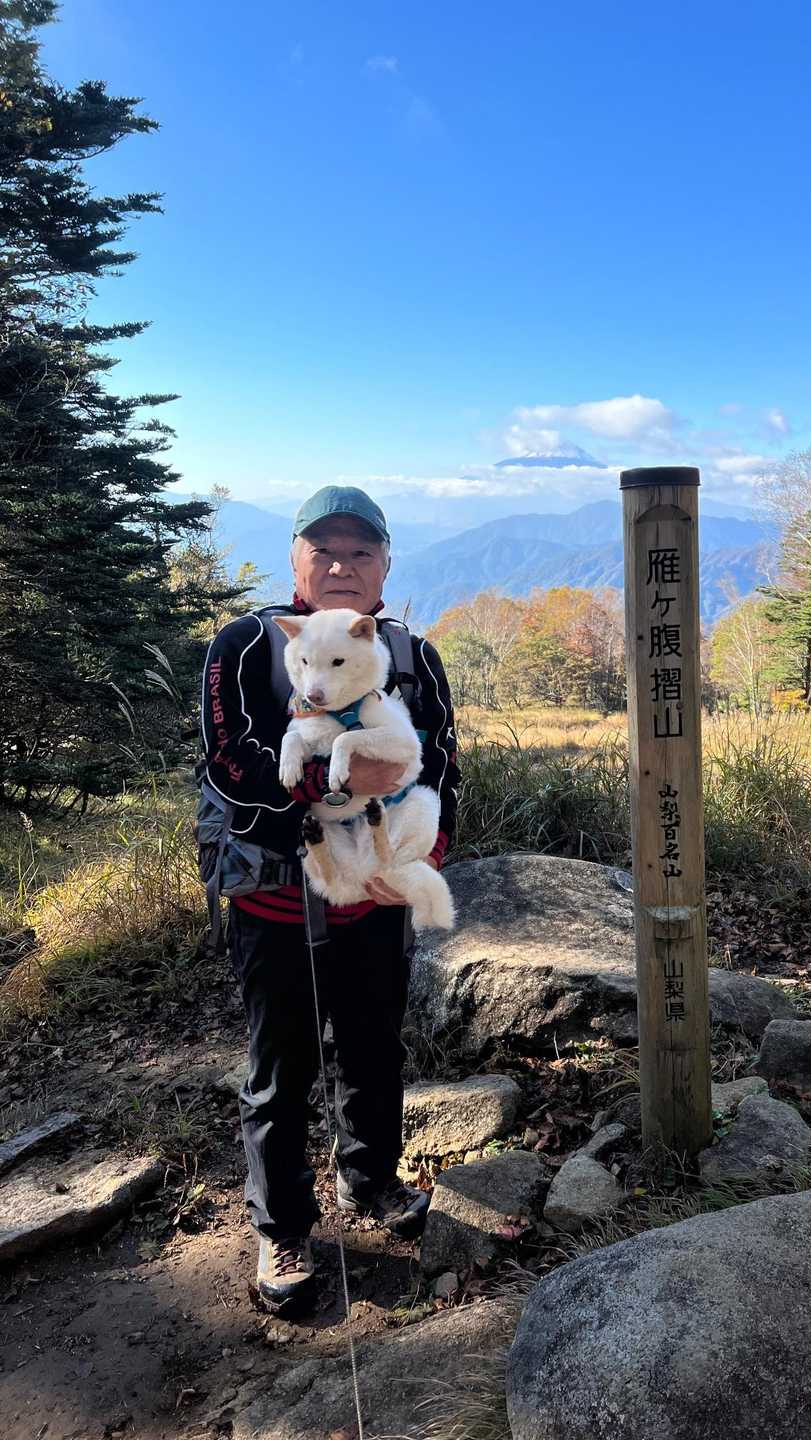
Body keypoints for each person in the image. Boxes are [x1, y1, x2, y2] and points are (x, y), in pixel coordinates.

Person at [200, 485, 459, 1306]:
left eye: (361, 552)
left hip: (377, 897)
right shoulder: (249, 643)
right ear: (296, 561)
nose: (343, 565)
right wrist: (329, 785)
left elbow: (442, 766)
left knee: (375, 1048)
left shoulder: (409, 654)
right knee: (281, 1067)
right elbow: (229, 761)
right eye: (326, 551)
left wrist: (423, 851)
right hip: (275, 900)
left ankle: (370, 1180)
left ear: (384, 566)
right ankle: (282, 1230)